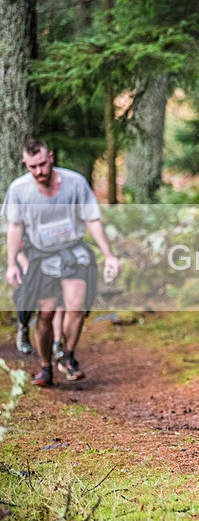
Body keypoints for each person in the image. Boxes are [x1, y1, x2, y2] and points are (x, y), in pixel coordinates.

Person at [2, 138, 121, 386]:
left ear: (51, 157)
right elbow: (15, 227)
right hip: (42, 255)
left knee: (76, 307)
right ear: (25, 163)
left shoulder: (75, 182)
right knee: (45, 314)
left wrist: (109, 255)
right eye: (32, 167)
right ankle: (45, 366)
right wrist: (12, 263)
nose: (39, 172)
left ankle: (67, 355)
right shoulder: (19, 189)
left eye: (43, 164)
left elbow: (92, 219)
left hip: (73, 251)